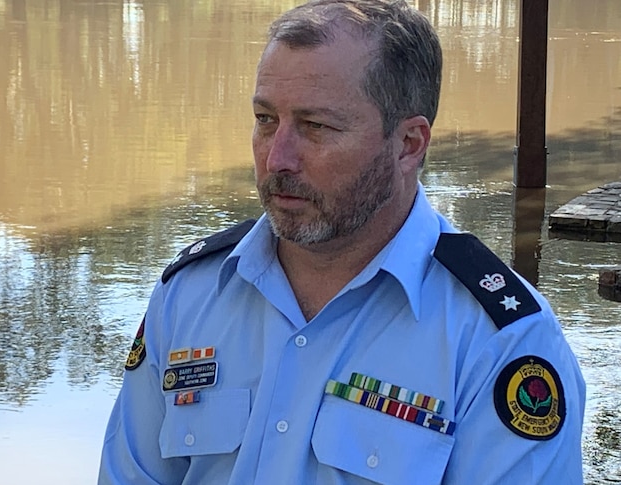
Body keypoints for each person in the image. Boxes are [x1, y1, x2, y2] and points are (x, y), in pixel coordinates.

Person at [98, 0, 585, 483]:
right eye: (266, 120)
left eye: (316, 127)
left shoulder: (500, 340)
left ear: (409, 144)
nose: (277, 159)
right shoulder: (191, 294)